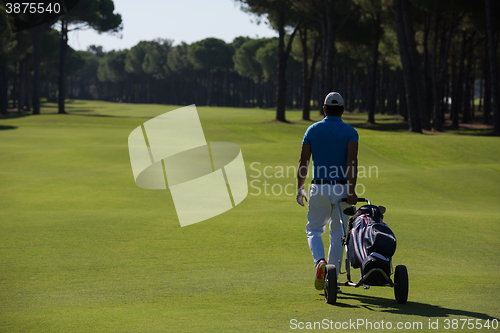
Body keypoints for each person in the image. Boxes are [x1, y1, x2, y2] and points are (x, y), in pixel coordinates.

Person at [296, 92, 359, 291]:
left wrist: (300, 187)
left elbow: (303, 161)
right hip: (342, 188)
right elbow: (352, 161)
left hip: (319, 187)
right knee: (339, 236)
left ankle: (320, 263)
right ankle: (331, 281)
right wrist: (352, 189)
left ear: (324, 109)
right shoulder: (350, 132)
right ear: (342, 110)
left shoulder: (312, 130)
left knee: (314, 230)